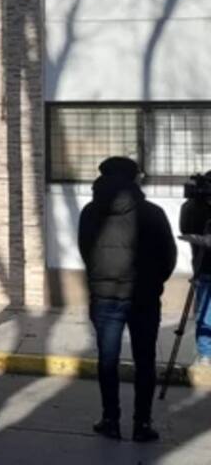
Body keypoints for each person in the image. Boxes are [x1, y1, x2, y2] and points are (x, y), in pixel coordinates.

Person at [78, 156, 176, 443]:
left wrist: (99, 280)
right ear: (134, 179)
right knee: (144, 360)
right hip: (143, 298)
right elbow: (167, 256)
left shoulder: (89, 212)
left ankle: (110, 420)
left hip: (105, 298)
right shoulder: (152, 213)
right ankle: (141, 424)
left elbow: (86, 251)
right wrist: (153, 283)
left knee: (108, 361)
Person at [178, 181, 211, 368]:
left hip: (203, 269)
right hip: (204, 269)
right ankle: (205, 354)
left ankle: (205, 355)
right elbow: (186, 229)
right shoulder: (193, 208)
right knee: (206, 315)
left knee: (205, 314)